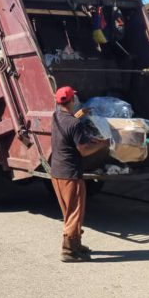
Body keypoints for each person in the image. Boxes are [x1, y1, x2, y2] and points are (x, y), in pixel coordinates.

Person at [50, 86, 110, 263]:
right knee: (75, 213)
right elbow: (84, 150)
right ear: (72, 101)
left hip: (57, 172)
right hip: (71, 174)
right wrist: (103, 143)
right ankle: (68, 250)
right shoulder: (75, 125)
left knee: (69, 212)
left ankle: (76, 243)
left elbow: (68, 126)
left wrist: (80, 114)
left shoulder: (56, 117)